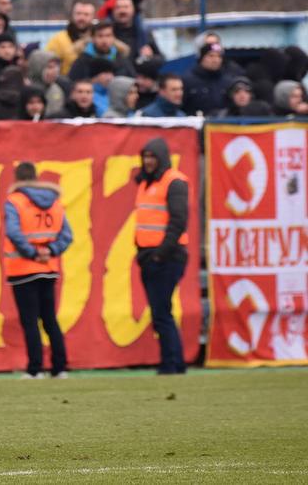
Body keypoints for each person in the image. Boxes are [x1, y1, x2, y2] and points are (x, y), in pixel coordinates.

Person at [2, 163, 72, 379]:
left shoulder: (15, 201)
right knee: (50, 319)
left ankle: (35, 369)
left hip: (23, 269)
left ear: (17, 178)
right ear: (36, 177)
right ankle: (60, 368)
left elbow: (13, 232)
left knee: (30, 321)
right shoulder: (55, 202)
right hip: (49, 268)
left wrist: (32, 253)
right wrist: (49, 251)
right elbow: (67, 235)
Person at [134, 138, 189, 375]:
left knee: (161, 313)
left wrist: (159, 255)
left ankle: (171, 364)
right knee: (161, 313)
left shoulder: (174, 182)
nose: (148, 161)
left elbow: (178, 222)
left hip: (167, 256)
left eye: (152, 156)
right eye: (145, 156)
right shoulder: (146, 182)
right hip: (150, 255)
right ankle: (175, 363)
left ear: (161, 157)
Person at [68, 21, 135, 82]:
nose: (104, 40)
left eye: (108, 36)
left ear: (114, 38)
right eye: (100, 36)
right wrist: (93, 81)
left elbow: (132, 80)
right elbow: (72, 83)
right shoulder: (82, 60)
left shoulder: (120, 59)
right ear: (93, 38)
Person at [44, 0, 96, 75]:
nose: (81, 18)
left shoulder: (98, 38)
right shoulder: (58, 39)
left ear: (93, 16)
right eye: (78, 13)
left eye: (86, 14)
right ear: (72, 15)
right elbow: (47, 63)